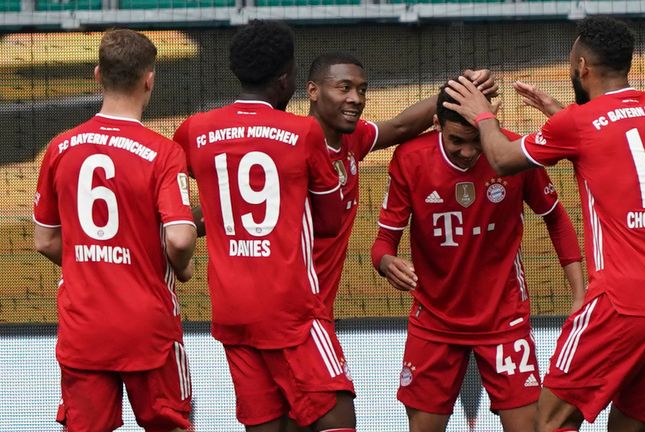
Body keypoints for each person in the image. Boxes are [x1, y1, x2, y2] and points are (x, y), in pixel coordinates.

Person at [442, 16, 645, 432]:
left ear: (582, 66)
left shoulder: (578, 125)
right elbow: (618, 142)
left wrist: (481, 116)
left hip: (621, 305)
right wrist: (559, 117)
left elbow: (501, 159)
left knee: (548, 423)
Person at [172, 21, 355, 432]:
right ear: (287, 76)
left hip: (233, 311)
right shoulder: (304, 131)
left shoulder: (195, 130)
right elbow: (329, 223)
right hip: (293, 312)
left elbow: (174, 200)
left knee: (266, 424)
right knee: (339, 416)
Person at [370, 85, 585, 432]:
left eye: (476, 140)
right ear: (437, 124)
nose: (469, 152)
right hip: (434, 321)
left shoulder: (514, 153)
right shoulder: (410, 158)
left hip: (503, 319)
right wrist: (386, 263)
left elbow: (556, 218)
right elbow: (382, 243)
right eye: (457, 141)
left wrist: (579, 294)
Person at [33, 29, 197, 432]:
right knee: (170, 424)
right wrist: (183, 266)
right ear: (149, 80)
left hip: (83, 324)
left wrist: (87, 262)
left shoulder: (60, 148)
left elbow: (45, 240)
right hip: (148, 325)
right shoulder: (164, 153)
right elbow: (179, 237)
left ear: (96, 76)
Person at [306, 52, 499, 321]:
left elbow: (399, 127)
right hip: (292, 306)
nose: (356, 98)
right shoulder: (294, 146)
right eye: (344, 88)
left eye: (362, 90)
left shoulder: (352, 139)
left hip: (318, 308)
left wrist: (459, 89)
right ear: (313, 91)